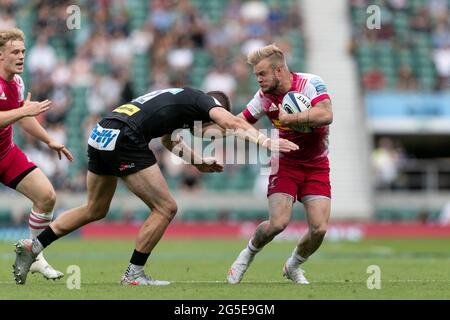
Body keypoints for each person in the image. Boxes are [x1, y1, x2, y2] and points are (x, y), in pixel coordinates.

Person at [13, 87, 298, 285]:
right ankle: (133, 275)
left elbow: (167, 140)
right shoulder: (206, 105)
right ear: (214, 111)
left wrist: (197, 161)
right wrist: (268, 142)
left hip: (102, 130)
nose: (211, 136)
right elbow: (234, 123)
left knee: (94, 208)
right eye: (213, 132)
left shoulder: (181, 102)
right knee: (165, 208)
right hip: (126, 137)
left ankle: (33, 246)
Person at [227, 43, 333, 284]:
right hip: (284, 163)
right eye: (256, 75)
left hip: (317, 163)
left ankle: (293, 266)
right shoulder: (263, 98)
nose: (258, 79)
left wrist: (291, 118)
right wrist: (215, 124)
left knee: (319, 229)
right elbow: (239, 123)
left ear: (279, 71)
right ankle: (246, 255)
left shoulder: (309, 83)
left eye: (262, 73)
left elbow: (326, 115)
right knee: (278, 223)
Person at [1, 28, 73, 280]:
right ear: (0, 55)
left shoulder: (17, 82)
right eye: (14, 52)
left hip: (5, 154)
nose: (21, 56)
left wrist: (49, 140)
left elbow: (22, 117)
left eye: (23, 51)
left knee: (46, 196)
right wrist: (23, 111)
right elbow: (15, 115)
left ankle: (35, 256)